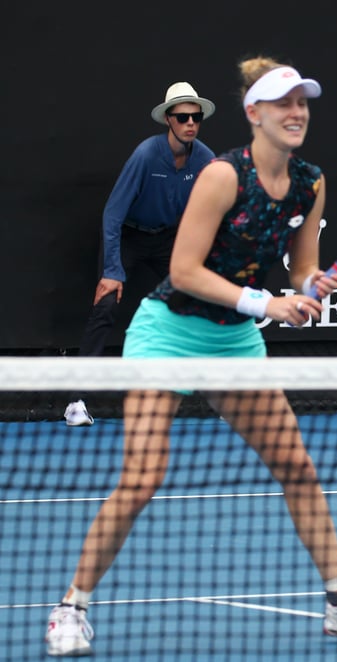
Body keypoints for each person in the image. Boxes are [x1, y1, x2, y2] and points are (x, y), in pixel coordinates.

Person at [45, 57, 337, 657]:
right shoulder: (222, 176)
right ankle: (70, 608)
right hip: (168, 332)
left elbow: (300, 264)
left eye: (303, 102)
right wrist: (267, 303)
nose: (296, 112)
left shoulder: (310, 182)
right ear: (254, 113)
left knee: (297, 468)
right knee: (142, 477)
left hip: (233, 340)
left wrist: (311, 285)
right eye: (283, 102)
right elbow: (182, 271)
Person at [64, 82, 217, 427]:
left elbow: (214, 210)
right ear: (168, 119)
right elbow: (112, 214)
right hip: (130, 236)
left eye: (196, 117)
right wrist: (113, 270)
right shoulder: (146, 155)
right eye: (182, 117)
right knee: (105, 306)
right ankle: (76, 401)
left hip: (170, 240)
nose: (190, 123)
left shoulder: (206, 159)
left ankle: (215, 393)